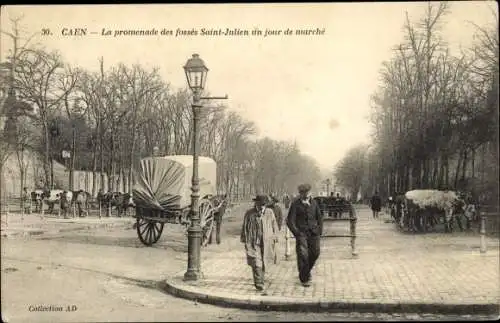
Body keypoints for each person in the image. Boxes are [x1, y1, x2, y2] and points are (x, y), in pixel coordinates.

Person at [286, 183, 323, 287]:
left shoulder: (314, 203)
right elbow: (290, 221)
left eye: (307, 192)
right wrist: (297, 233)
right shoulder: (295, 204)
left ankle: (305, 272)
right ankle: (304, 279)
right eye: (303, 193)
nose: (305, 195)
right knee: (303, 255)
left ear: (310, 192)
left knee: (316, 253)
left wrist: (320, 231)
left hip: (314, 233)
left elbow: (319, 218)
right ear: (300, 194)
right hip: (301, 233)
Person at [240, 195, 279, 292]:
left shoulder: (270, 212)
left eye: (264, 205)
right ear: (256, 203)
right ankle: (259, 283)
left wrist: (275, 237)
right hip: (253, 241)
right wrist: (245, 239)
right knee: (256, 262)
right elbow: (245, 226)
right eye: (260, 204)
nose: (262, 207)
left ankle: (261, 279)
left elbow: (274, 225)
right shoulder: (249, 213)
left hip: (267, 241)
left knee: (264, 261)